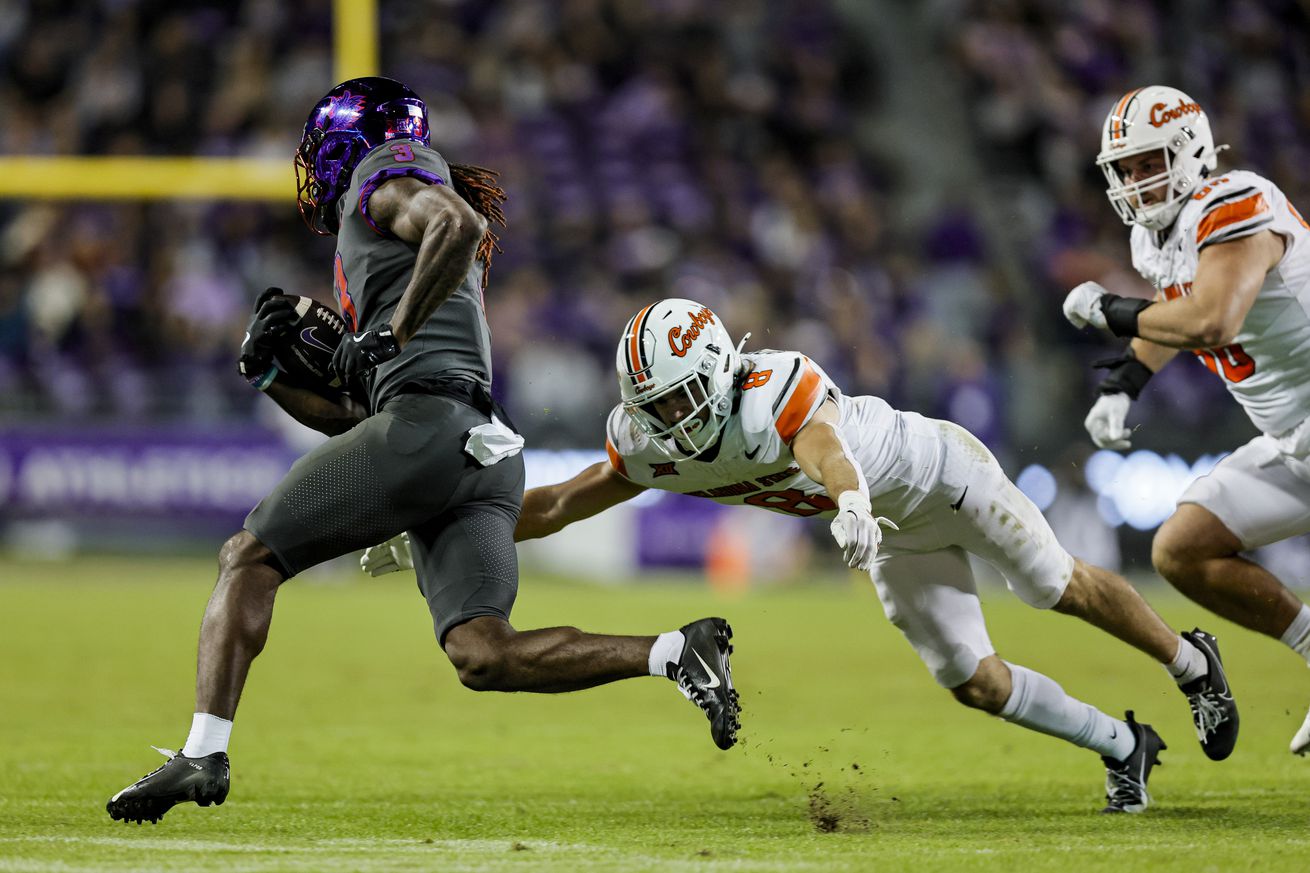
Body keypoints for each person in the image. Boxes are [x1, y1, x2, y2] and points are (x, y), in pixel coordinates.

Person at [105, 79, 739, 826]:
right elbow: (356, 421)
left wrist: (388, 333)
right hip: (481, 449)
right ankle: (675, 651)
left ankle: (202, 753)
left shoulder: (389, 173)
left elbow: (460, 227)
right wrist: (273, 377)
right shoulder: (398, 245)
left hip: (428, 427)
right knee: (484, 652)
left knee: (248, 556)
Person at [366, 297, 1239, 814]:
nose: (668, 422)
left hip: (935, 477)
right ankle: (1124, 743)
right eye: (653, 405)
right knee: (972, 679)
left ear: (718, 372)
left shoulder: (770, 385)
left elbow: (822, 444)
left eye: (678, 400)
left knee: (1053, 584)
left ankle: (1189, 660)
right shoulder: (652, 439)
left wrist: (852, 495)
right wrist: (438, 531)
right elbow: (554, 505)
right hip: (888, 532)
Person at [1062, 85, 1310, 754]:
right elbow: (1174, 311)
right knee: (1182, 549)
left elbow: (1210, 318)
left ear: (1192, 151)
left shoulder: (1237, 203)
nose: (1139, 181)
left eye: (1151, 162)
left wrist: (1110, 310)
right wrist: (1125, 381)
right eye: (1129, 168)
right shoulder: (1156, 235)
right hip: (1294, 439)